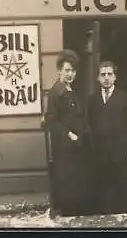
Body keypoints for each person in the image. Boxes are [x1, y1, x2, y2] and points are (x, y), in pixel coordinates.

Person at [42, 49, 95, 218]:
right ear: (59, 71)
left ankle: (73, 212)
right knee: (66, 180)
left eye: (73, 71)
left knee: (76, 180)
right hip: (64, 146)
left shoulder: (70, 90)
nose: (70, 74)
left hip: (76, 145)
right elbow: (52, 120)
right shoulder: (55, 92)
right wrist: (68, 134)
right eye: (66, 70)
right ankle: (65, 212)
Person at [87, 61, 127, 214]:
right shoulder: (92, 100)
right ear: (98, 77)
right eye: (103, 74)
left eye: (109, 74)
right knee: (104, 188)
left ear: (115, 77)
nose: (106, 78)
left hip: (121, 151)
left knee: (124, 186)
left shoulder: (125, 97)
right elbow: (89, 125)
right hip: (101, 152)